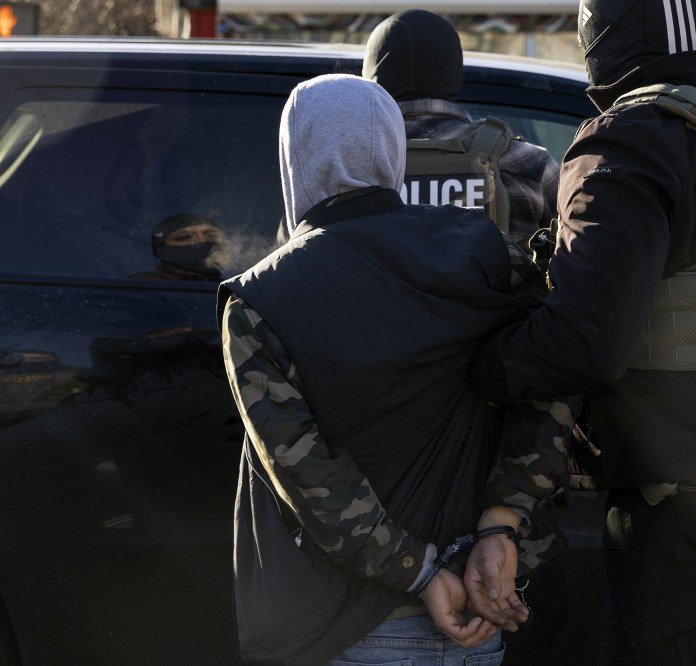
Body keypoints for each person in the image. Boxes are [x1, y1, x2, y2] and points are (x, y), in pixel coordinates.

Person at [468, 1, 696, 663]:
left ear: (598, 31)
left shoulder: (635, 138)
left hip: (688, 520)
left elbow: (584, 342)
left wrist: (481, 367)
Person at [218, 74, 573, 666]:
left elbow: (307, 477)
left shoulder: (261, 299)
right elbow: (554, 378)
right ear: (390, 149)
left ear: (294, 158)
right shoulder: (485, 252)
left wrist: (419, 573)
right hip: (483, 601)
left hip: (345, 623)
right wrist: (502, 522)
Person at [361, 9, 560, 252]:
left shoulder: (345, 166)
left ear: (371, 76)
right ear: (453, 70)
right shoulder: (526, 162)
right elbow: (580, 267)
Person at [129, 213, 228, 281]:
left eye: (211, 234)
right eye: (185, 237)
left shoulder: (232, 288)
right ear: (162, 249)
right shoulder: (145, 284)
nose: (202, 240)